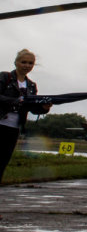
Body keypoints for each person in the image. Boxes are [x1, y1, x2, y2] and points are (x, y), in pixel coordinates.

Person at [0, 49, 52, 183]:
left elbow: (33, 109)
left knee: (3, 160)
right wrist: (16, 101)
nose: (27, 65)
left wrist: (44, 108)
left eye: (30, 63)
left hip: (14, 128)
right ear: (16, 62)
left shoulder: (31, 86)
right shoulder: (5, 78)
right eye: (24, 62)